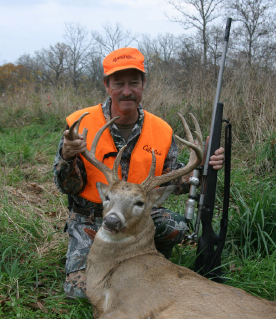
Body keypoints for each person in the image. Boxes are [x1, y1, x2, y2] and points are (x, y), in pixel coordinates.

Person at [53, 47, 224, 300]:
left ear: (143, 84)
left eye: (134, 83)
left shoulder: (161, 130)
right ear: (106, 85)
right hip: (92, 218)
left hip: (138, 215)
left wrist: (203, 166)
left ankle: (149, 258)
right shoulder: (80, 124)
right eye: (118, 83)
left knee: (176, 226)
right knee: (80, 292)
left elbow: (174, 180)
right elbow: (67, 187)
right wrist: (68, 156)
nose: (127, 91)